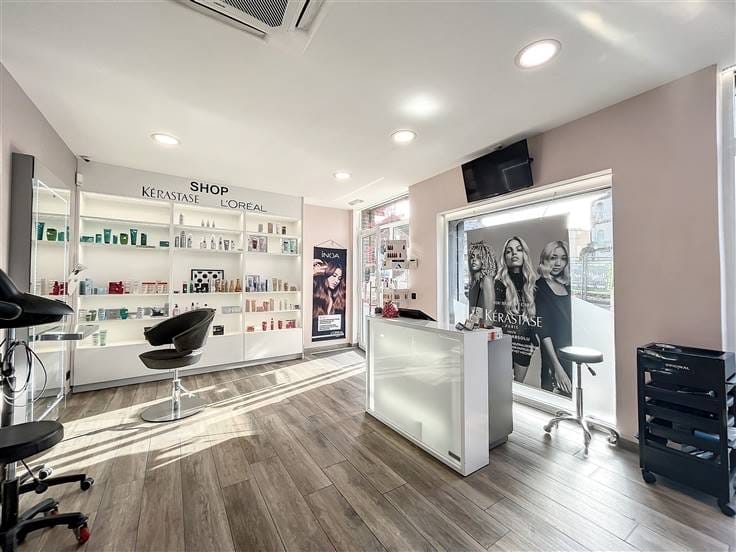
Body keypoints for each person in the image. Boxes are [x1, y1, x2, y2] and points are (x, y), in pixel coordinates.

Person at [494, 236, 538, 383]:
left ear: (524, 254)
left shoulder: (531, 284)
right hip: (502, 344)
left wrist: (532, 342)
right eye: (509, 251)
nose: (514, 253)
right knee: (501, 385)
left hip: (523, 346)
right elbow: (495, 319)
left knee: (518, 386)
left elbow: (534, 319)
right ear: (504, 257)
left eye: (519, 250)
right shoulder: (499, 284)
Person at [535, 240, 573, 397]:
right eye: (553, 257)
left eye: (563, 258)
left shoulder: (568, 286)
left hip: (573, 353)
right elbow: (543, 331)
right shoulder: (539, 287)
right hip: (554, 356)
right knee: (555, 397)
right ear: (545, 259)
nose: (558, 263)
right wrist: (557, 366)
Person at [467, 241, 497, 327]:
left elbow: (489, 314)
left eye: (479, 257)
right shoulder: (474, 281)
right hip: (475, 327)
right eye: (472, 257)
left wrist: (484, 330)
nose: (474, 260)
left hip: (482, 329)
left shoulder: (486, 280)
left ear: (485, 260)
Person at [312, 259, 346, 334]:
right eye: (334, 276)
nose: (336, 281)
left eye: (339, 278)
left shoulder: (336, 298)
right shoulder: (315, 293)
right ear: (327, 273)